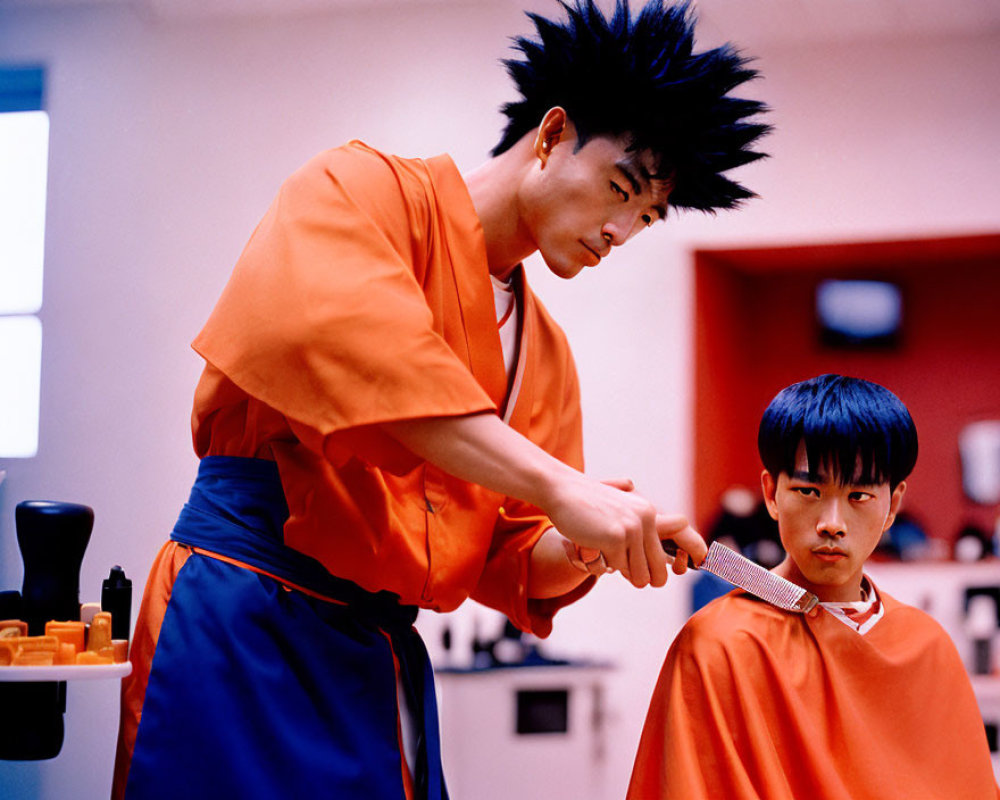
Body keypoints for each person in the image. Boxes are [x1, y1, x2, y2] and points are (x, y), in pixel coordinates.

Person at [112, 1, 769, 798]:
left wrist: (589, 542)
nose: (619, 231)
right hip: (243, 612)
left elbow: (514, 550)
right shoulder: (356, 189)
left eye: (645, 217)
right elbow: (376, 374)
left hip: (374, 656)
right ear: (553, 135)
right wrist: (566, 488)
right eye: (619, 190)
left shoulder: (545, 352)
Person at [628, 374, 1000, 800]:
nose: (832, 524)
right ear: (771, 493)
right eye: (808, 490)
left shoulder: (927, 647)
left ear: (892, 505)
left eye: (859, 496)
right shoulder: (718, 646)